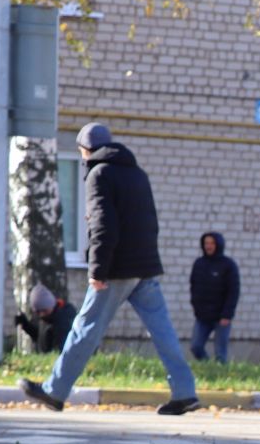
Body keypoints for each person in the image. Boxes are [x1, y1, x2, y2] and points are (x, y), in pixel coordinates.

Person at [19, 124, 200, 416]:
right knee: (162, 330)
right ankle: (185, 391)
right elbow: (149, 221)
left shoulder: (99, 173)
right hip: (144, 267)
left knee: (84, 329)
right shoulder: (137, 174)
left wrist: (98, 270)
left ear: (85, 149)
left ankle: (55, 390)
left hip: (116, 269)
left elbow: (102, 225)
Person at [189, 230, 240, 363]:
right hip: (202, 316)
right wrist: (196, 307)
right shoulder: (199, 264)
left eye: (212, 243)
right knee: (196, 346)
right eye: (206, 243)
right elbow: (193, 286)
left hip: (221, 317)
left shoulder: (228, 265)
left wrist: (227, 315)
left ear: (218, 245)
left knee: (220, 353)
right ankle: (208, 367)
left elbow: (233, 291)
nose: (209, 246)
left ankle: (221, 375)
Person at [14, 284, 77, 353]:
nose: (41, 314)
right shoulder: (43, 318)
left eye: (44, 310)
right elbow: (38, 336)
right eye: (38, 312)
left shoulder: (66, 313)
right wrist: (25, 324)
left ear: (50, 304)